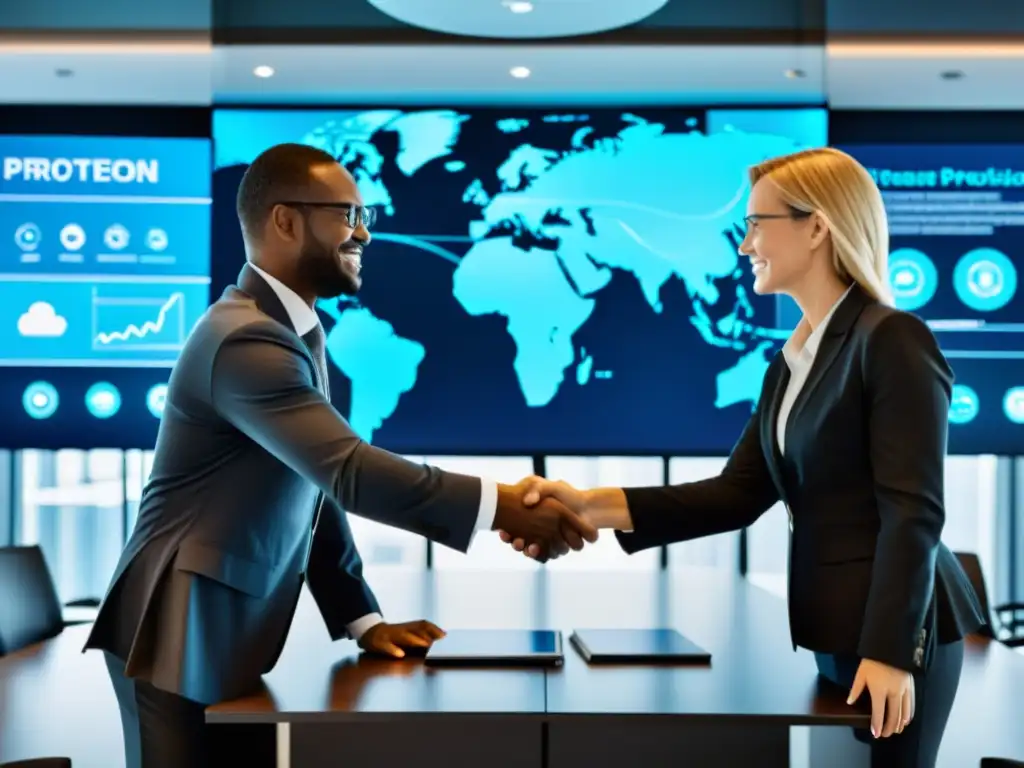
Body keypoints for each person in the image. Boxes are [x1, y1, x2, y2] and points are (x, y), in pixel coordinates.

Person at [85, 142, 597, 768]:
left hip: (219, 627)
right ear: (285, 221)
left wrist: (362, 619)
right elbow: (349, 472)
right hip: (174, 632)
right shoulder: (246, 339)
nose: (363, 234)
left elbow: (315, 487)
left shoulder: (291, 329)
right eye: (347, 214)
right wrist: (503, 507)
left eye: (365, 216)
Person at [502, 147, 986, 767]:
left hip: (898, 633)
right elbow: (736, 493)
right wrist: (587, 505)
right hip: (839, 631)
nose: (744, 244)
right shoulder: (791, 361)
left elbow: (913, 513)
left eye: (758, 224)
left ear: (817, 227)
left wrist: (892, 651)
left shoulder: (890, 338)